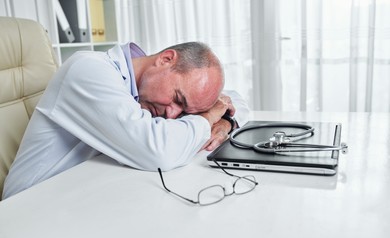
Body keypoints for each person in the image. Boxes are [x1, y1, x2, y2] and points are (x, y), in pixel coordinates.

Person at [2, 42, 249, 199]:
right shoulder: (88, 70)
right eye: (178, 100)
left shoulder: (158, 91)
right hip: (33, 207)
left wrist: (226, 120)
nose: (173, 114)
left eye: (186, 109)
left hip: (92, 193)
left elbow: (239, 101)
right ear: (166, 59)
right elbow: (158, 151)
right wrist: (208, 116)